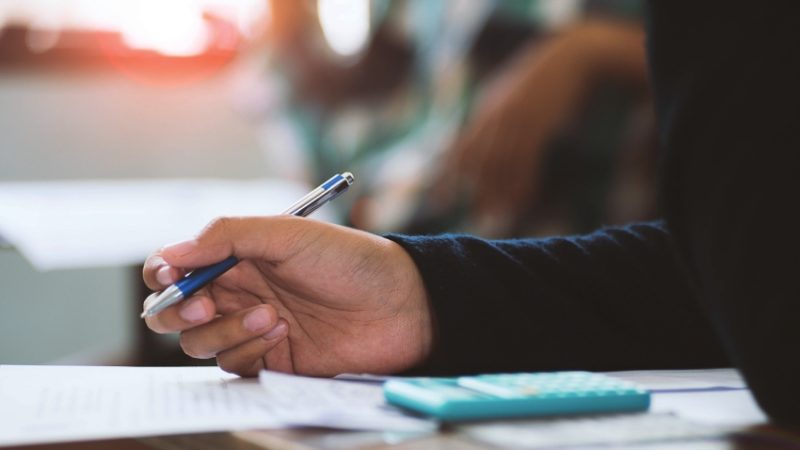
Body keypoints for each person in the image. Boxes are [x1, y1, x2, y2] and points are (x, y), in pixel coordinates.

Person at [142, 1, 800, 423]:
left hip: (553, 220)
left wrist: (593, 49)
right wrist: (419, 295)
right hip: (469, 263)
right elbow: (736, 286)